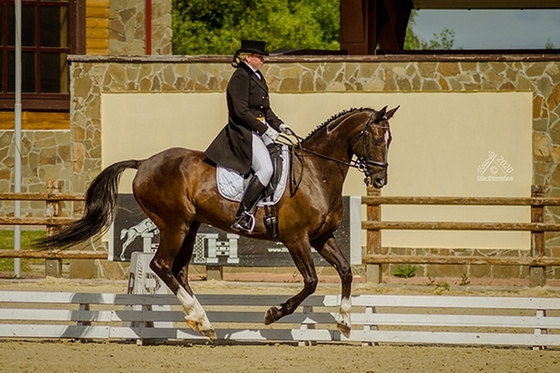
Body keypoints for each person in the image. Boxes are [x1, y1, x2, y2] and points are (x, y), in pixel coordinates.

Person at [205, 40, 290, 234]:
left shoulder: (257, 76)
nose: (262, 60)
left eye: (262, 57)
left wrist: (280, 126)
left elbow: (266, 110)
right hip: (244, 132)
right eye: (259, 57)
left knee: (284, 154)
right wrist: (265, 129)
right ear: (247, 57)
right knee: (266, 169)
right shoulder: (241, 77)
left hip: (260, 128)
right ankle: (243, 214)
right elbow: (241, 111)